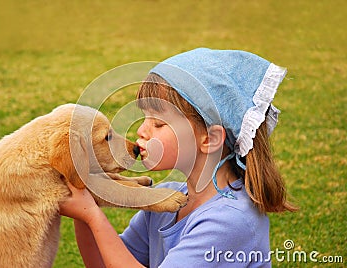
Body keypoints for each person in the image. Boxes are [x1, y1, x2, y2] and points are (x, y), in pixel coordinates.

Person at [59, 48, 297, 267]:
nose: (141, 131)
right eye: (144, 119)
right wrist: (86, 206)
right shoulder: (169, 201)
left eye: (159, 123)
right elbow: (104, 262)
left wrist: (93, 216)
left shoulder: (229, 221)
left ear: (210, 139)